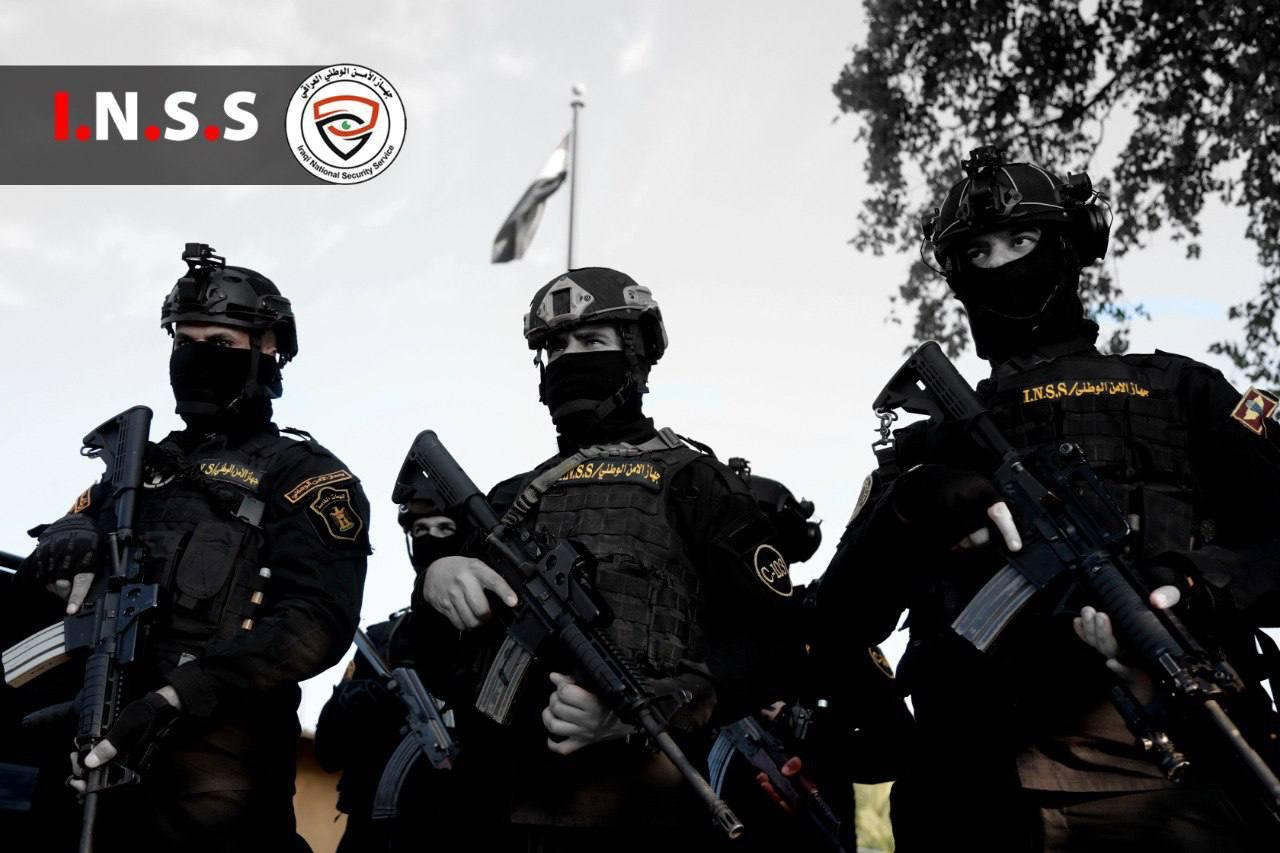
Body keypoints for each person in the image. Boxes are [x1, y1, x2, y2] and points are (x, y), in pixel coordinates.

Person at [819, 147, 1280, 852]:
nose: (1000, 265)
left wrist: (1192, 583)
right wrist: (905, 509)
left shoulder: (1187, 392)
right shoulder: (929, 443)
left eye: (1021, 240)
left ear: (1069, 246)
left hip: (1170, 770)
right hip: (971, 788)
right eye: (977, 252)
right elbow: (832, 625)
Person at [418, 267, 804, 850]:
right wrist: (436, 580)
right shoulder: (507, 501)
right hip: (491, 812)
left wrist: (650, 708)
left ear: (636, 356)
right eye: (555, 347)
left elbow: (773, 644)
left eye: (592, 340)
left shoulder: (698, 483)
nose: (570, 358)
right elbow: (428, 657)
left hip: (641, 815)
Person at [15, 243, 370, 852]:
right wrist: (68, 537)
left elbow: (316, 622)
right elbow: (48, 569)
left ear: (268, 350)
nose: (198, 355)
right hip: (84, 753)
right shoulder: (132, 471)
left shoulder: (306, 474)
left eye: (221, 342)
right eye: (185, 340)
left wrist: (179, 696)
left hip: (215, 779)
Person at [315, 467, 465, 853]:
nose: (430, 538)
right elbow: (327, 752)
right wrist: (353, 702)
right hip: (373, 830)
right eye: (420, 530)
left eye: (445, 528)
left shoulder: (491, 638)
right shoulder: (384, 640)